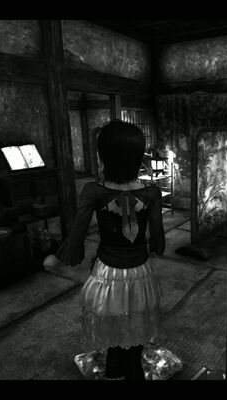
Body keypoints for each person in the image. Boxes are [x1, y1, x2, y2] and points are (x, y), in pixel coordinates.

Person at [54, 120, 165, 380]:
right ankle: (132, 369)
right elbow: (157, 238)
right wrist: (154, 246)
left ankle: (115, 367)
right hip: (140, 271)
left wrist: (69, 254)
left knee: (113, 320)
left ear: (105, 155)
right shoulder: (152, 193)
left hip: (107, 271)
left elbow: (77, 236)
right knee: (136, 321)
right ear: (137, 155)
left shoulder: (93, 191)